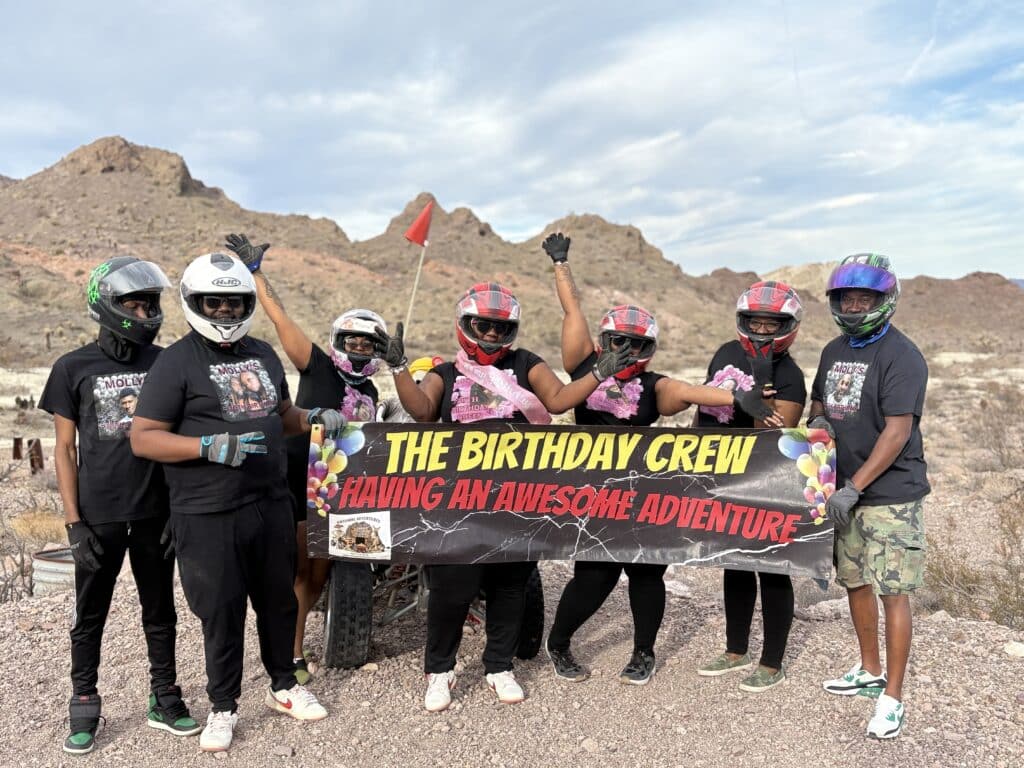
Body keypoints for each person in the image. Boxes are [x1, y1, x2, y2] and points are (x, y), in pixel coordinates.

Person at [374, 280, 634, 712]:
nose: (492, 335)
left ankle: (499, 666)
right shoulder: (446, 374)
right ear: (465, 325)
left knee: (510, 585)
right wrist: (399, 366)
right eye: (483, 326)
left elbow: (557, 401)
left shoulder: (527, 363)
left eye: (500, 328)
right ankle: (440, 670)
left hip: (517, 497)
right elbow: (421, 411)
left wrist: (599, 372)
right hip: (458, 501)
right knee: (452, 590)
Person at [537, 234, 784, 687]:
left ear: (649, 348)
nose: (626, 352)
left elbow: (688, 392)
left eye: (635, 345)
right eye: (618, 342)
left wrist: (736, 398)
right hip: (591, 492)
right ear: (605, 339)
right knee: (593, 576)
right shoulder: (582, 367)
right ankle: (559, 641)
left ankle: (643, 652)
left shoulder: (655, 386)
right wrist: (561, 263)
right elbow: (572, 312)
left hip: (640, 493)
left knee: (648, 574)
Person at [130, 252, 346, 752]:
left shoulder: (264, 354)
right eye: (215, 302)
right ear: (195, 302)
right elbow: (143, 437)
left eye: (235, 302)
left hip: (269, 503)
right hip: (207, 512)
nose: (226, 311)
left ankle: (284, 686)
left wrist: (315, 416)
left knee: (277, 600)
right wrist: (204, 446)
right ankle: (223, 706)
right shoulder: (175, 361)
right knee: (222, 611)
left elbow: (284, 414)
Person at [39, 256, 201, 755]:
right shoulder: (73, 367)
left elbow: (178, 437)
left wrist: (177, 508)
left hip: (155, 511)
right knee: (90, 612)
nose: (145, 311)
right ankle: (83, 701)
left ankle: (165, 697)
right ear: (107, 304)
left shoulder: (165, 362)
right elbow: (65, 449)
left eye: (151, 302)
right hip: (99, 515)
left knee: (160, 609)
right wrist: (73, 523)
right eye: (135, 302)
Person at [224, 233, 386, 684]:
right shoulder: (315, 364)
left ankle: (291, 646)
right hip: (297, 482)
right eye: (351, 341)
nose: (358, 349)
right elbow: (281, 320)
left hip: (343, 490)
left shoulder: (371, 390)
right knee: (297, 571)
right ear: (339, 341)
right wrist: (257, 274)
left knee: (318, 575)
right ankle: (290, 655)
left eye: (367, 344)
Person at [812, 254, 929, 740]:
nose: (855, 307)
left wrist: (856, 486)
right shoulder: (834, 349)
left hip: (889, 495)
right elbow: (821, 403)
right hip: (843, 492)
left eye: (865, 299)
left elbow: (898, 432)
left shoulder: (903, 357)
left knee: (893, 593)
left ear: (885, 301)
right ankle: (868, 669)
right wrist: (817, 422)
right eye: (847, 299)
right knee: (855, 583)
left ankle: (893, 697)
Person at [694, 280, 807, 692]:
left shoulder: (791, 375)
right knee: (735, 563)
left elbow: (776, 438)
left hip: (767, 483)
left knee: (773, 569)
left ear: (788, 326)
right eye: (754, 324)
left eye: (771, 324)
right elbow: (705, 406)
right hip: (723, 476)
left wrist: (761, 386)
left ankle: (773, 661)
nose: (761, 332)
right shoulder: (725, 352)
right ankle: (735, 650)